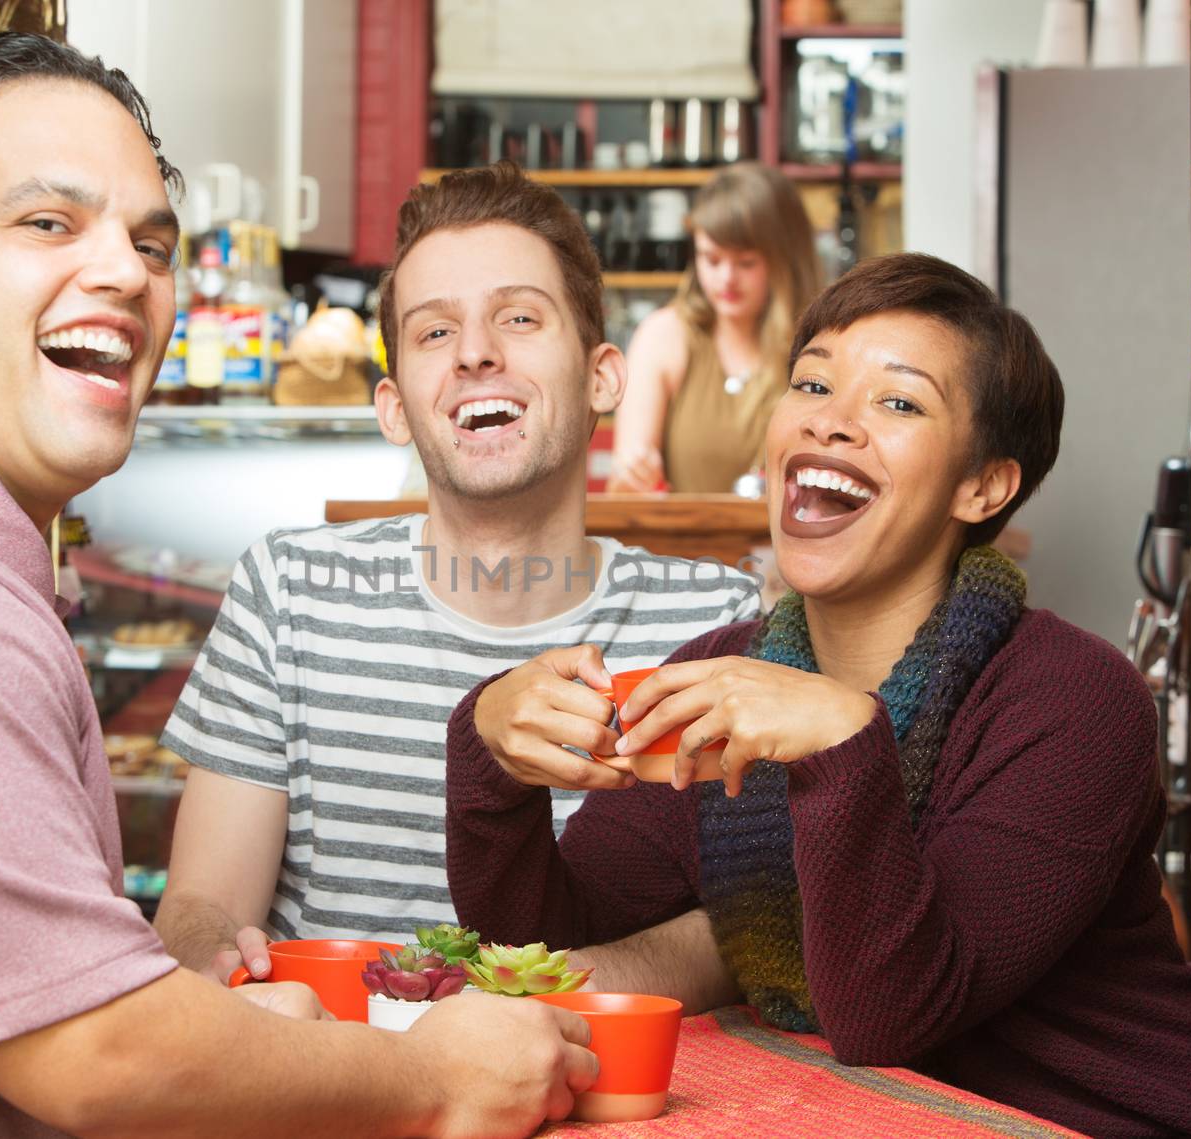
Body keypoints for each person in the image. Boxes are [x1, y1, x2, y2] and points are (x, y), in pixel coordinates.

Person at [0, 36, 597, 1139]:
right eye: (47, 222)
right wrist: (432, 1073)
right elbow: (100, 1053)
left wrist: (261, 1037)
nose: (125, 272)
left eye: (150, 241)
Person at [445, 254, 1191, 1139]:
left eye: (898, 402)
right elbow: (546, 949)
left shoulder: (1078, 699)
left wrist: (841, 745)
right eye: (813, 383)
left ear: (983, 485)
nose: (833, 422)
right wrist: (491, 757)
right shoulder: (724, 673)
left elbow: (894, 1012)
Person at [155, 162, 762, 984]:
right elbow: (201, 909)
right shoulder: (285, 593)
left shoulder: (715, 623)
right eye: (435, 332)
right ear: (395, 406)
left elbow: (745, 930)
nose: (476, 352)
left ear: (602, 376)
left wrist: (528, 1004)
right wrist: (218, 967)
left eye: (518, 317)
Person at [606, 162, 820, 494]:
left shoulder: (819, 347)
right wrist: (632, 478)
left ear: (786, 261)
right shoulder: (664, 336)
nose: (726, 279)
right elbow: (626, 486)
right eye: (711, 259)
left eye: (746, 262)